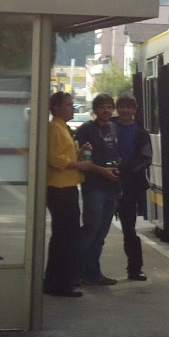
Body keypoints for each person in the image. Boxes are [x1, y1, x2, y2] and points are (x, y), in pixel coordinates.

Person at [44, 92, 94, 297]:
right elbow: (56, 159)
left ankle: (56, 280)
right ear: (56, 108)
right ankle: (60, 283)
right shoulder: (55, 128)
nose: (72, 108)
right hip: (60, 188)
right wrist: (79, 164)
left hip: (68, 186)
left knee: (64, 237)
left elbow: (64, 154)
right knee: (66, 237)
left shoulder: (62, 127)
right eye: (67, 104)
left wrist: (80, 152)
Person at [73, 94, 121, 285]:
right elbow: (82, 159)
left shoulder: (113, 128)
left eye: (109, 107)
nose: (106, 110)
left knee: (101, 232)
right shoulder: (86, 129)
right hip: (93, 186)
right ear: (95, 110)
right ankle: (76, 271)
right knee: (91, 230)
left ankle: (93, 273)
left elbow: (116, 157)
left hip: (111, 186)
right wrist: (102, 171)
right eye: (102, 107)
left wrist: (119, 185)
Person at [114, 95, 152, 282]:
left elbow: (146, 159)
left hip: (130, 184)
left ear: (134, 110)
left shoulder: (141, 132)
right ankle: (88, 269)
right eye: (121, 107)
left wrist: (124, 166)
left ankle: (135, 269)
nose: (125, 110)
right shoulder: (108, 127)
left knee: (129, 229)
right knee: (96, 228)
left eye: (129, 107)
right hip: (106, 181)